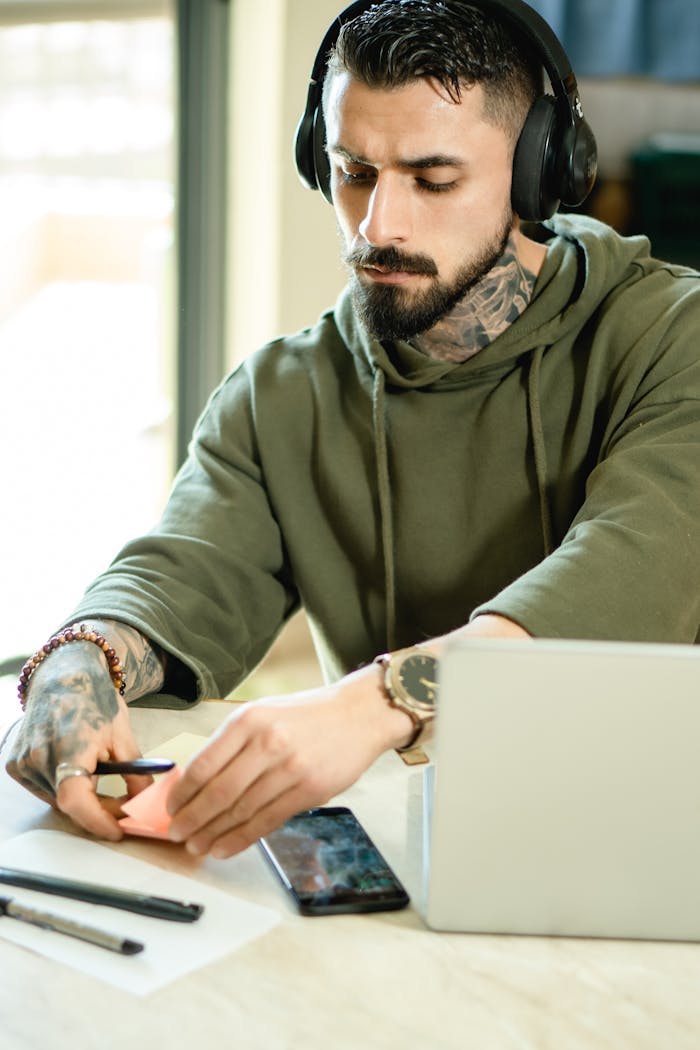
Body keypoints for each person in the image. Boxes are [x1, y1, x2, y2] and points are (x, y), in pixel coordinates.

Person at [7, 0, 700, 860]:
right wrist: (81, 661)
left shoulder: (675, 338)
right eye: (353, 172)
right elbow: (186, 571)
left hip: (652, 836)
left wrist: (374, 703)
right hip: (403, 850)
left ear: (537, 175)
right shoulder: (279, 394)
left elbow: (641, 565)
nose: (379, 226)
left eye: (434, 179)